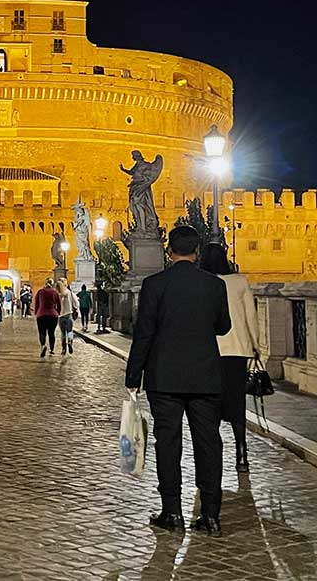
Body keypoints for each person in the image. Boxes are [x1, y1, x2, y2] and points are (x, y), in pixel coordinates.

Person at [125, 225, 232, 535]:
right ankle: (210, 515)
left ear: (169, 251)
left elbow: (144, 333)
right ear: (197, 251)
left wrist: (134, 375)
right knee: (208, 444)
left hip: (164, 377)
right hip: (205, 376)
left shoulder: (154, 285)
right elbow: (223, 327)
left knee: (168, 444)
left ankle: (172, 512)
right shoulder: (214, 285)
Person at [200, 244, 260, 473]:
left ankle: (212, 454)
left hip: (210, 351)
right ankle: (242, 452)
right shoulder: (240, 282)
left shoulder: (203, 282)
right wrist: (255, 345)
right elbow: (250, 317)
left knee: (210, 403)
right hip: (237, 350)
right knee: (237, 402)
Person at [33, 279, 61, 358]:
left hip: (41, 314)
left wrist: (36, 312)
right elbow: (59, 304)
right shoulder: (55, 292)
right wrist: (58, 312)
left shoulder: (40, 292)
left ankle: (43, 346)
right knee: (51, 333)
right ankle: (51, 350)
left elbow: (37, 303)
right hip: (53, 315)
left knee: (42, 332)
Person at [56, 279, 78, 354]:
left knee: (63, 333)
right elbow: (76, 303)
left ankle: (63, 349)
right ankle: (69, 341)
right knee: (69, 331)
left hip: (60, 316)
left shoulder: (58, 294)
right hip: (69, 314)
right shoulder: (70, 293)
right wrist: (75, 308)